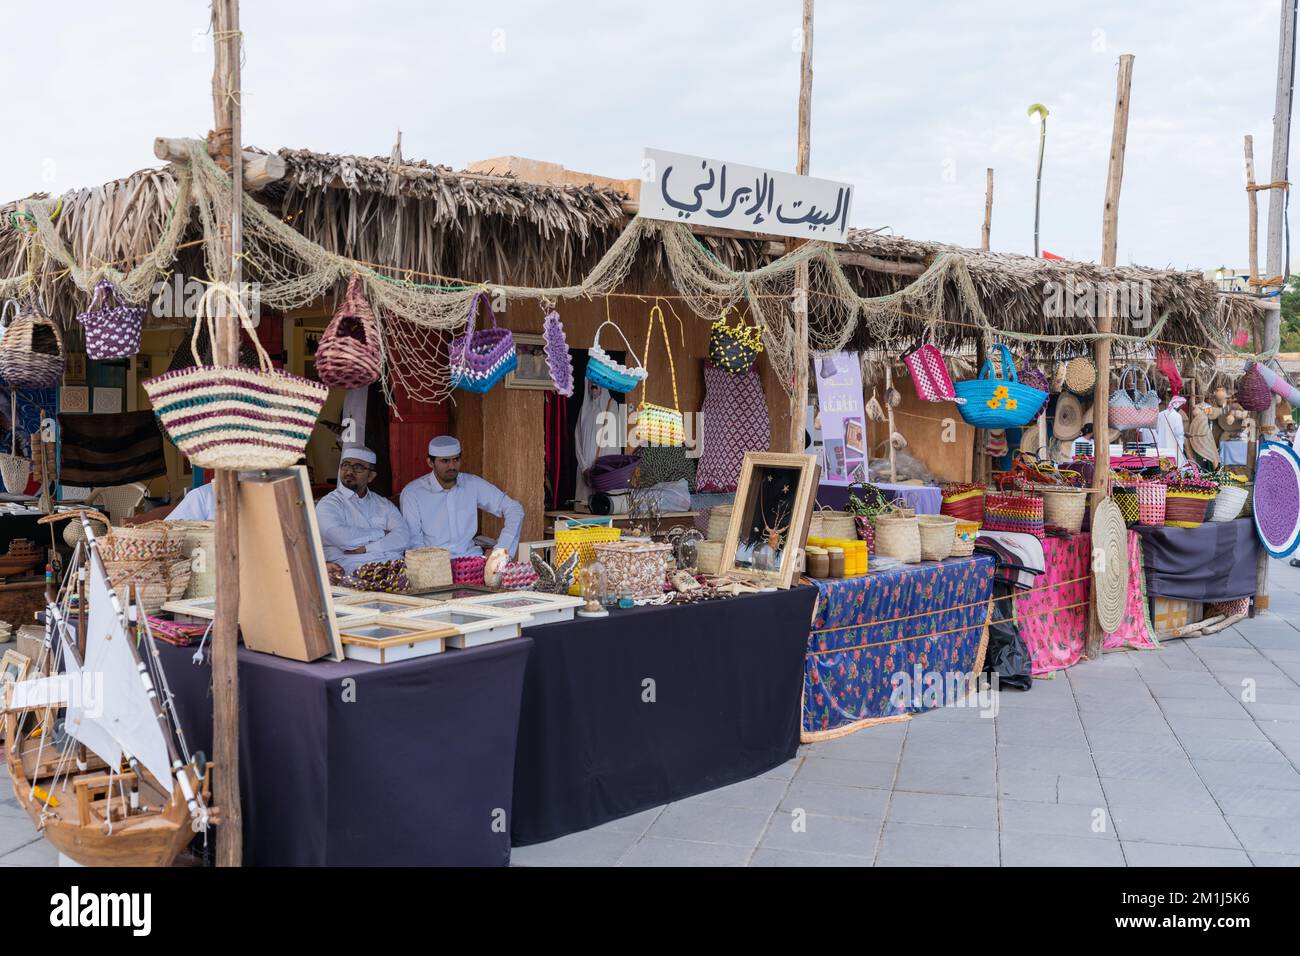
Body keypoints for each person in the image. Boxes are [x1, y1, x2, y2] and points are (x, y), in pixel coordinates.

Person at [400, 435, 524, 558]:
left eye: (456, 459)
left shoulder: (472, 484)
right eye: (445, 461)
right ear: (430, 462)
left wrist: (501, 550)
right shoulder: (413, 493)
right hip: (434, 567)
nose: (452, 466)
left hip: (472, 562)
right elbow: (414, 544)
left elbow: (514, 509)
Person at [316, 447, 409, 580]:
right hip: (350, 571)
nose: (349, 471)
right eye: (345, 465)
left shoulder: (383, 504)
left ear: (371, 476)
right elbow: (342, 537)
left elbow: (403, 537)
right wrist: (382, 533)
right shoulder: (329, 504)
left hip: (394, 569)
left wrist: (367, 548)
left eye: (358, 467)